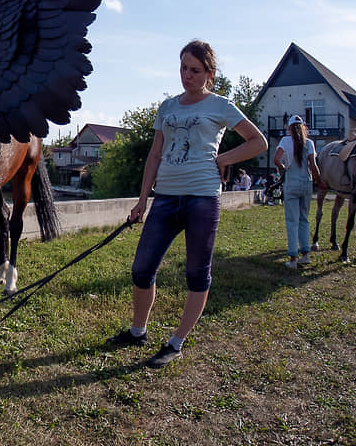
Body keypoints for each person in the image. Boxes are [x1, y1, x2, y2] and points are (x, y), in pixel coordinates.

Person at [108, 40, 268, 368]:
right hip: (165, 198)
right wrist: (142, 200)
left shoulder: (221, 105)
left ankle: (176, 342)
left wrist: (223, 158)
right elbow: (155, 154)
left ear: (209, 74)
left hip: (202, 198)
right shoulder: (167, 107)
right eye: (183, 68)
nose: (187, 75)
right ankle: (138, 331)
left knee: (196, 274)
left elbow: (258, 142)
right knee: (142, 269)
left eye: (195, 70)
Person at [273, 115, 326, 269]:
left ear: (289, 128)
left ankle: (293, 258)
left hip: (291, 182)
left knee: (292, 221)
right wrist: (320, 182)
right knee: (304, 219)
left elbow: (276, 159)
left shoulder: (285, 141)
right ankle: (305, 255)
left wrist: (283, 168)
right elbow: (313, 166)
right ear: (303, 127)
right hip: (306, 182)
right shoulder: (309, 143)